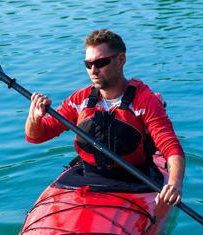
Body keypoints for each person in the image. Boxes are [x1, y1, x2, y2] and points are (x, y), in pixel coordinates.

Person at [25, 29, 185, 210]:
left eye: (101, 63)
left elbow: (171, 147)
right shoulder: (80, 99)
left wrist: (174, 183)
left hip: (135, 179)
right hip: (88, 177)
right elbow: (36, 137)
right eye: (88, 64)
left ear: (121, 60)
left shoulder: (144, 101)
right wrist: (34, 118)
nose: (93, 70)